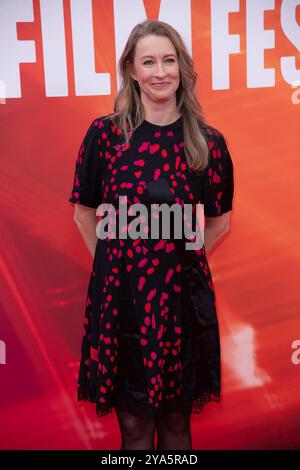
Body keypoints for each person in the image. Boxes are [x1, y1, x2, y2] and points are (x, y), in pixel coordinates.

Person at [68, 19, 234, 451]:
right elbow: (84, 214)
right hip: (121, 307)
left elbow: (219, 223)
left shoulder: (208, 143)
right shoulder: (105, 136)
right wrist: (113, 267)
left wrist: (179, 259)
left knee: (178, 429)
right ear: (131, 69)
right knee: (136, 432)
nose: (160, 71)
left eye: (168, 59)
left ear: (182, 67)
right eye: (148, 61)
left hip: (182, 306)